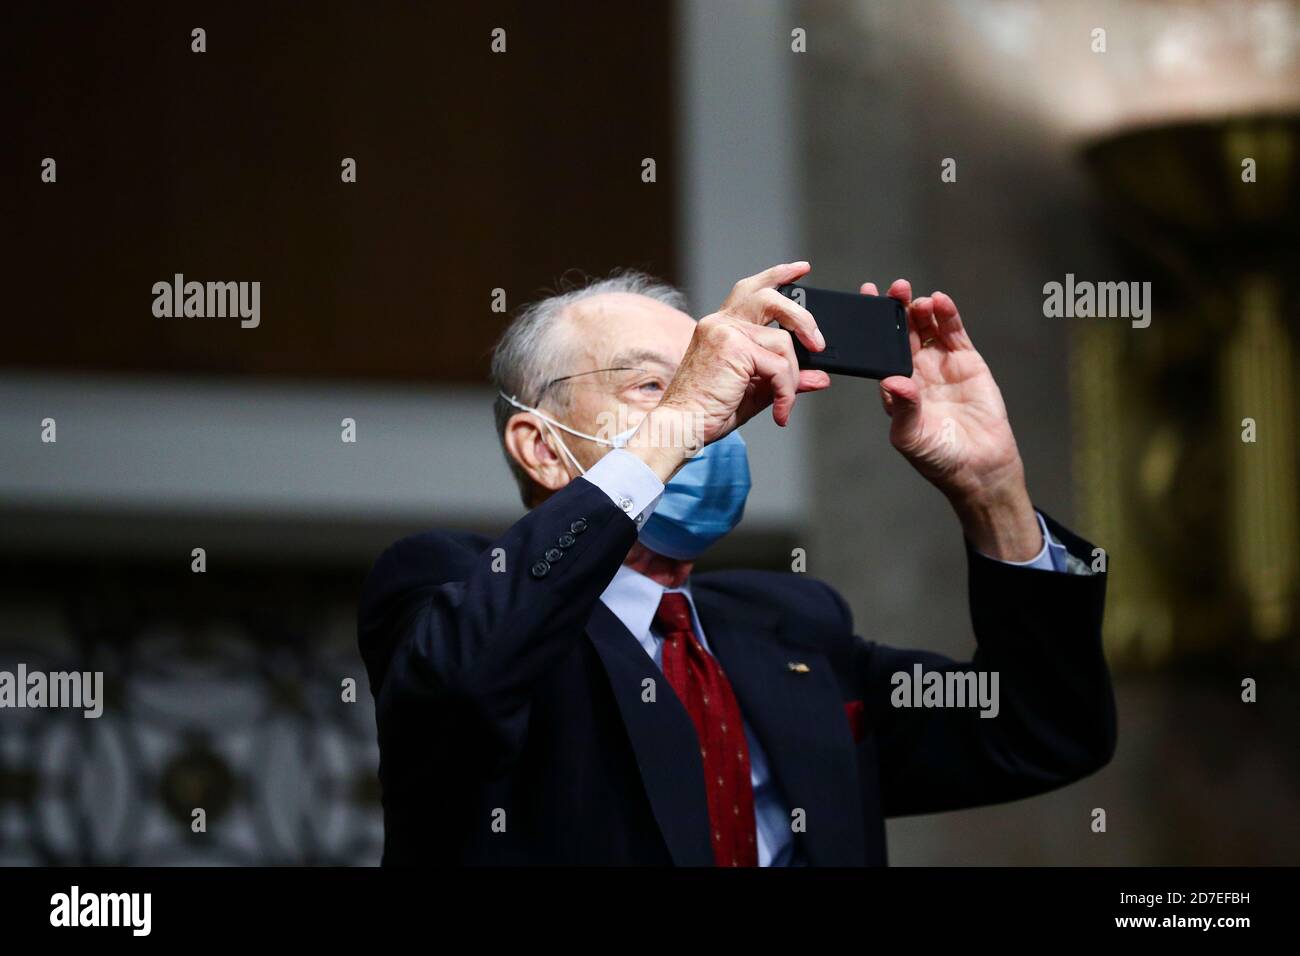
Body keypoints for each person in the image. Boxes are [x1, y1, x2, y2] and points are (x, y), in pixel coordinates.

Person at [357, 261, 1115, 866]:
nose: (715, 418)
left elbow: (1039, 729)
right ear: (543, 447)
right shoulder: (446, 585)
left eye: (719, 381)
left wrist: (993, 492)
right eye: (657, 383)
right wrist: (680, 418)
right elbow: (465, 681)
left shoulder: (790, 626)